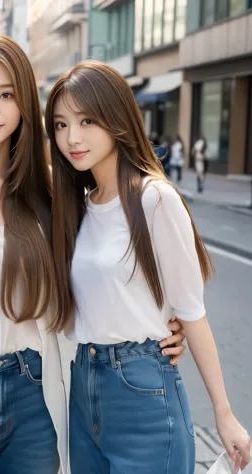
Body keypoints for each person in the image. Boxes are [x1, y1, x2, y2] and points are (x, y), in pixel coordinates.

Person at [0, 35, 187, 474]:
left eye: (6, 95)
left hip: (34, 396)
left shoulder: (54, 192)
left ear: (25, 104)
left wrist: (160, 325)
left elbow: (104, 264)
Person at [45, 61, 250, 474]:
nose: (72, 137)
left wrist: (223, 413)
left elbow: (192, 312)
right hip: (84, 387)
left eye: (86, 120)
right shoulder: (76, 207)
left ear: (117, 117)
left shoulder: (154, 199)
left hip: (142, 388)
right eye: (62, 124)